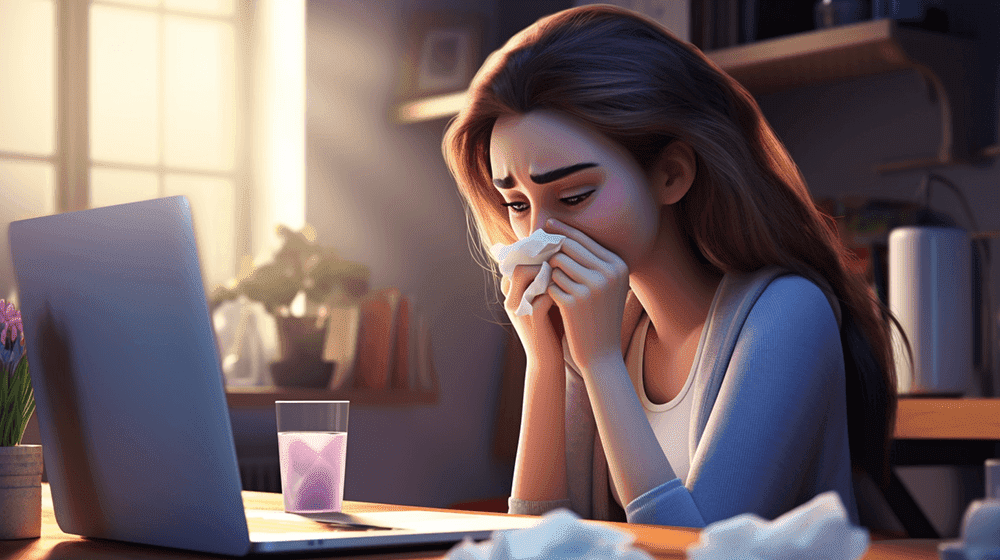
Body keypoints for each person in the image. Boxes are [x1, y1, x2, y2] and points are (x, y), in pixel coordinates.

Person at [442, 4, 899, 528]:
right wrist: (545, 361)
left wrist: (600, 363)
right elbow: (543, 540)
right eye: (518, 205)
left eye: (574, 196)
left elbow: (701, 548)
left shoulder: (786, 311)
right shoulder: (606, 325)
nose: (539, 236)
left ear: (671, 176)